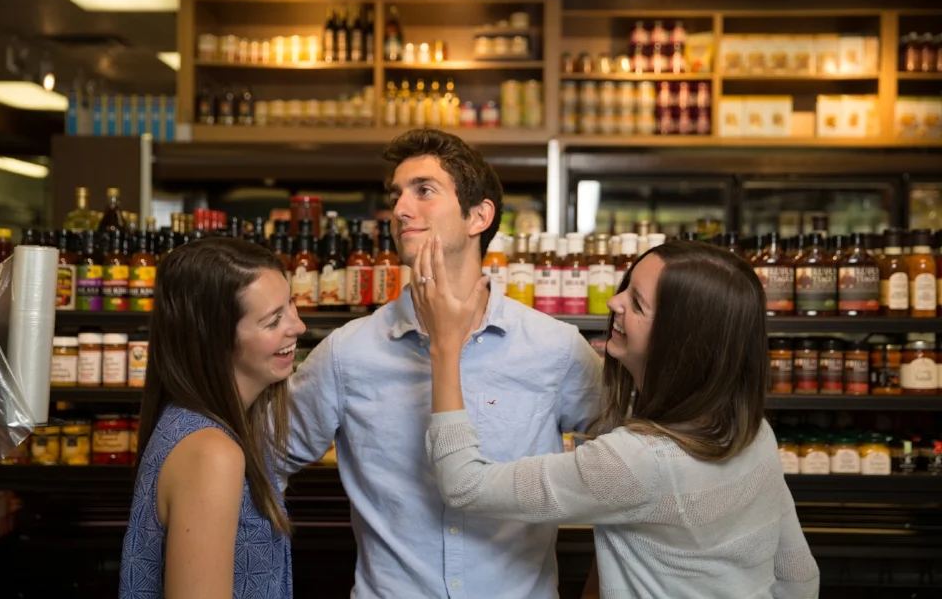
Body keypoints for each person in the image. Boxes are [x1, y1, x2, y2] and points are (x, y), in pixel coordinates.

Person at [283, 128, 603, 598]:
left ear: (479, 216)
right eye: (396, 195)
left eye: (424, 191)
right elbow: (263, 459)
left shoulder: (555, 348)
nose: (400, 209)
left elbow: (634, 468)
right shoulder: (347, 353)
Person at [416, 237, 821, 599]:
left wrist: (445, 346)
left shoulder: (634, 462)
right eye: (625, 287)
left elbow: (465, 485)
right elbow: (798, 573)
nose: (614, 303)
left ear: (678, 342)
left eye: (637, 304)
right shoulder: (753, 431)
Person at [120, 238, 305, 599]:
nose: (297, 326)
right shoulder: (212, 453)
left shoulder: (209, 428)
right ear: (216, 340)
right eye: (273, 320)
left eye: (291, 304)